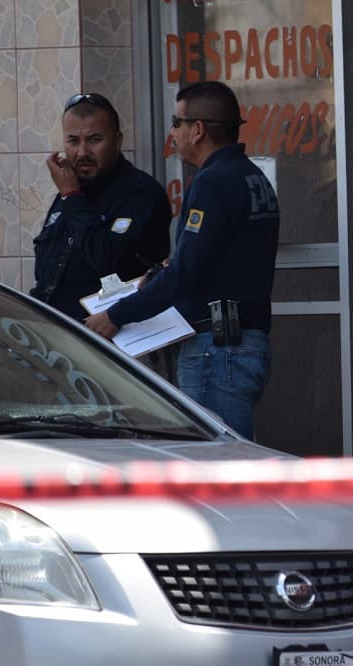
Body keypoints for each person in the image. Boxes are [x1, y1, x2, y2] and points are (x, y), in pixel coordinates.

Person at [85, 81, 280, 440]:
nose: (172, 133)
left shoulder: (213, 182)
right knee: (233, 464)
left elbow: (187, 274)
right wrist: (160, 273)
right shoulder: (253, 178)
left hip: (216, 351)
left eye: (177, 123)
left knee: (215, 473)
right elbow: (213, 259)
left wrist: (116, 315)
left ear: (198, 129)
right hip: (241, 345)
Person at [31, 93, 171, 321]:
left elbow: (107, 259)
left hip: (111, 342)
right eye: (73, 141)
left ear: (117, 141)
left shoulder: (141, 193)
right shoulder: (71, 191)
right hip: (57, 333)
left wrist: (72, 196)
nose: (82, 152)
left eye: (94, 140)